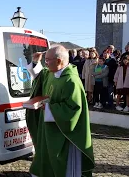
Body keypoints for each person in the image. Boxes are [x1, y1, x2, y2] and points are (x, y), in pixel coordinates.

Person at [26, 45, 95, 177]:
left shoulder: (71, 80)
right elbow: (40, 76)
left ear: (59, 61)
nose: (45, 63)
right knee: (45, 157)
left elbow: (73, 110)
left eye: (47, 60)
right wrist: (35, 62)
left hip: (63, 133)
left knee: (62, 165)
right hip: (48, 128)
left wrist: (49, 108)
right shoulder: (52, 73)